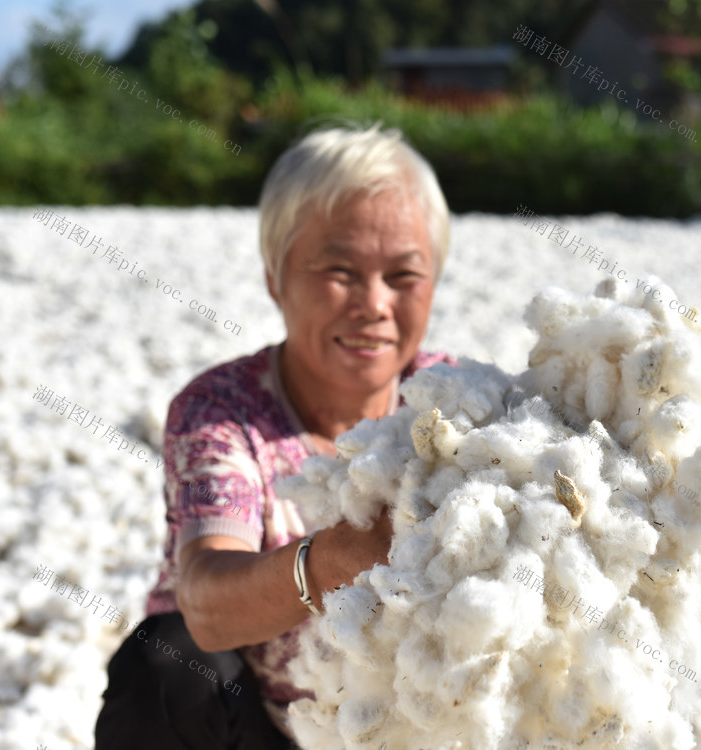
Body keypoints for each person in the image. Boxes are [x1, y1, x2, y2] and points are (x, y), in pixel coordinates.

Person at [95, 122, 456, 749]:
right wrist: (328, 564)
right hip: (263, 728)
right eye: (338, 269)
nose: (374, 304)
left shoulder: (455, 407)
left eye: (403, 276)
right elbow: (207, 603)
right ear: (275, 276)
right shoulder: (225, 413)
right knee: (170, 661)